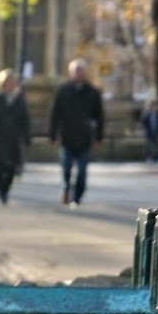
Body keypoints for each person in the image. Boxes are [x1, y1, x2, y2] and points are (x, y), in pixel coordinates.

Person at [50, 59, 104, 206]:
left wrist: (99, 136)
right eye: (76, 71)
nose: (79, 74)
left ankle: (77, 196)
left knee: (81, 171)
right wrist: (53, 135)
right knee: (66, 167)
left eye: (81, 71)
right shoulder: (63, 91)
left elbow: (99, 116)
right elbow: (55, 114)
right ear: (70, 73)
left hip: (84, 138)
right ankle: (66, 188)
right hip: (67, 138)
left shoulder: (92, 93)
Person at [0, 69, 30, 204]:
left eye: (12, 82)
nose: (10, 85)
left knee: (11, 168)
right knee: (0, 167)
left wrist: (26, 137)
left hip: (13, 140)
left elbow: (25, 120)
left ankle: (6, 189)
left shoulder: (19, 100)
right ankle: (1, 190)